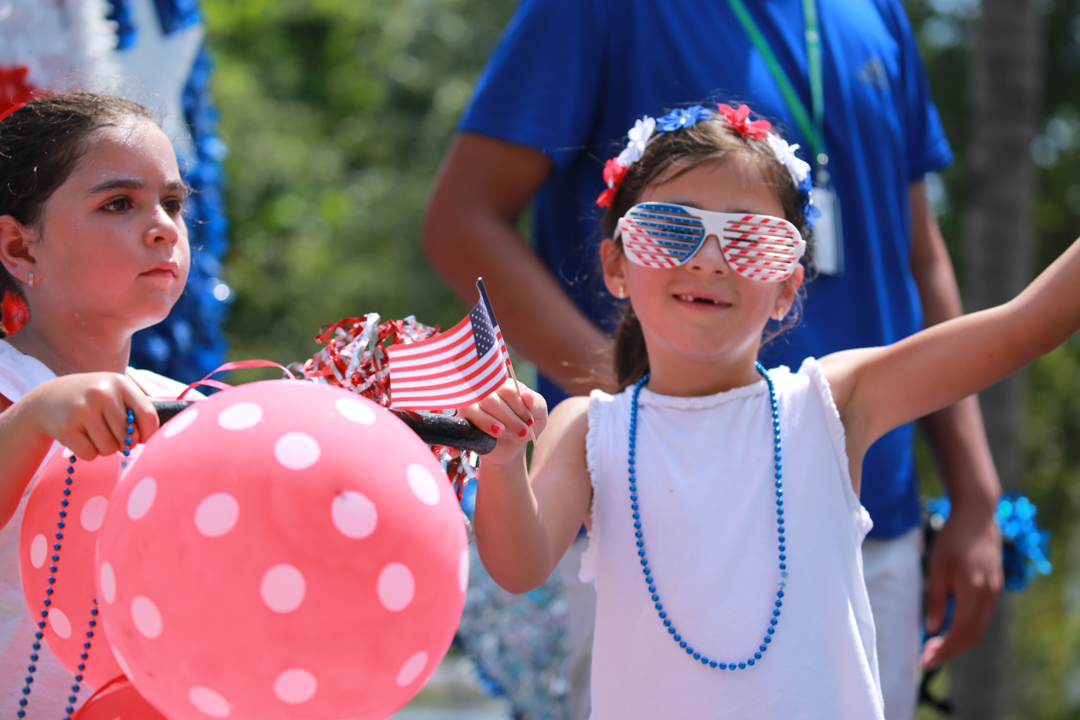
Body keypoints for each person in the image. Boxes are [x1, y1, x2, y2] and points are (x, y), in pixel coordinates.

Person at [424, 2, 1001, 718]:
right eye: (674, 228)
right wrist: (652, 416)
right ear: (616, 262)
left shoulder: (876, 11)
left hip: (873, 509)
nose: (710, 258)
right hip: (643, 521)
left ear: (790, 283)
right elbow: (461, 219)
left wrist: (976, 495)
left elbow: (923, 255)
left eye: (753, 238)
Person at [0, 93, 195, 716]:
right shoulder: (11, 387)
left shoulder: (189, 409)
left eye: (172, 203)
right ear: (20, 248)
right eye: (118, 204)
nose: (164, 227)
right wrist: (34, 418)